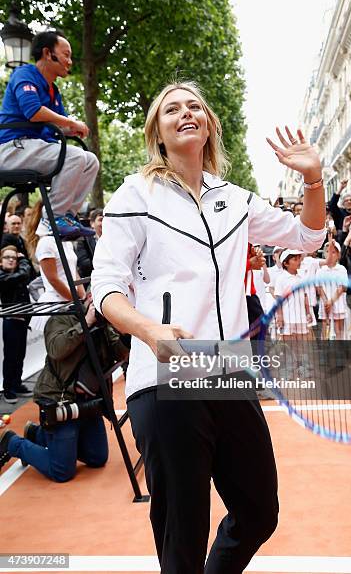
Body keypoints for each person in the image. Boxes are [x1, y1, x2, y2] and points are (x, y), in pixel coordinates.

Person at [91, 81, 326, 572]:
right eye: (171, 108)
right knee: (185, 536)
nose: (185, 112)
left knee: (260, 512)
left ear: (209, 125)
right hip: (166, 375)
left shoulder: (235, 199)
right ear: (157, 130)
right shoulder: (134, 195)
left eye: (194, 105)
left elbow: (307, 236)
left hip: (230, 369)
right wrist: (150, 330)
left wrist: (313, 181)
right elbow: (106, 289)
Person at [0, 292, 129, 480]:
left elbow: (119, 353)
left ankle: (37, 434)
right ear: (90, 296)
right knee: (61, 471)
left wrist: (126, 335)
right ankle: (11, 442)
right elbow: (56, 350)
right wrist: (85, 323)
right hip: (60, 399)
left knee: (97, 458)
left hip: (89, 401)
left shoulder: (105, 322)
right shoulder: (62, 318)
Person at [0, 30, 98, 239]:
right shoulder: (24, 74)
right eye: (66, 54)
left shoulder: (53, 90)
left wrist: (70, 128)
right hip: (11, 149)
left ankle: (67, 216)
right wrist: (70, 122)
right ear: (47, 53)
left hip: (34, 147)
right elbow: (33, 111)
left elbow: (57, 125)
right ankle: (51, 218)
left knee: (91, 161)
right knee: (74, 156)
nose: (70, 61)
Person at [25, 202, 85, 332]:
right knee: (60, 348)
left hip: (71, 301)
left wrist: (82, 294)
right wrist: (73, 299)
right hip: (56, 302)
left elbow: (72, 269)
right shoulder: (46, 243)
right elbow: (53, 279)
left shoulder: (65, 241)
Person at [0, 245, 33, 403]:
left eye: (14, 257)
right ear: (0, 262)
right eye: (7, 257)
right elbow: (23, 274)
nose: (11, 259)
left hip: (22, 321)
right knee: (11, 357)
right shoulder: (3, 276)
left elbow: (29, 273)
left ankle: (17, 384)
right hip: (11, 321)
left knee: (20, 355)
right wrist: (23, 259)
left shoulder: (20, 274)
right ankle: (8, 389)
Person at [316, 241, 348, 339]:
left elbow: (342, 287)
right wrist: (326, 302)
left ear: (338, 255)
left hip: (339, 304)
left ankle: (339, 352)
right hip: (325, 305)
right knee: (325, 329)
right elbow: (319, 288)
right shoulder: (320, 270)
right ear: (324, 254)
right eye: (327, 251)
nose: (330, 254)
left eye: (333, 252)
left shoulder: (342, 269)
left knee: (339, 330)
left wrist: (331, 301)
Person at [75, 208, 104, 278]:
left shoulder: (112, 240)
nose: (104, 223)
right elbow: (84, 264)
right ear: (92, 223)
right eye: (101, 220)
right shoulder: (84, 240)